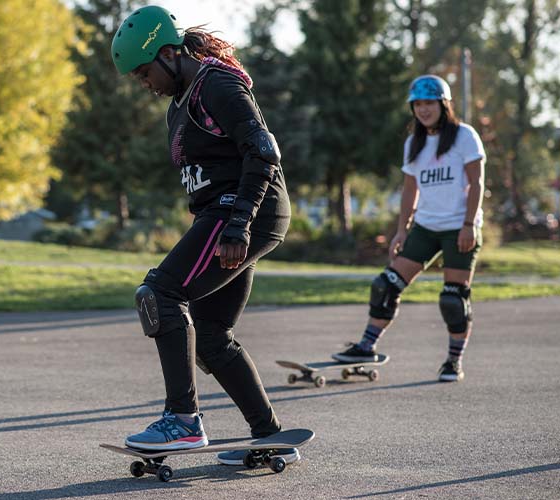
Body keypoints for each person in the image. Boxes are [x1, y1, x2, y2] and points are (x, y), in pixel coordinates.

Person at [110, 6, 298, 466]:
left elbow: (263, 150)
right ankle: (269, 434)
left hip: (245, 211)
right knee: (211, 335)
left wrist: (238, 223)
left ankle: (183, 420)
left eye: (145, 72)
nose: (144, 83)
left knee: (159, 293)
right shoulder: (180, 102)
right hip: (224, 215)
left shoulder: (218, 85)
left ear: (169, 53)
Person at [332, 75, 485, 383]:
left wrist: (469, 224)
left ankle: (453, 361)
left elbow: (477, 182)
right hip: (425, 227)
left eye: (429, 103)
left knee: (453, 300)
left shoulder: (465, 136)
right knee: (385, 286)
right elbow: (410, 191)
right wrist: (402, 231)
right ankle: (366, 346)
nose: (423, 110)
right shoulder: (414, 143)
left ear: (443, 104)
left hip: (459, 227)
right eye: (417, 104)